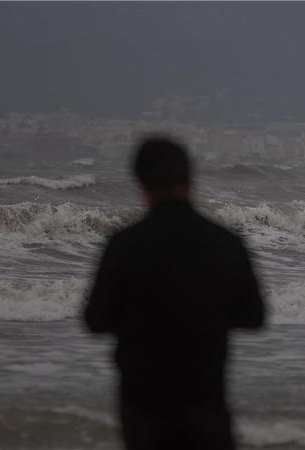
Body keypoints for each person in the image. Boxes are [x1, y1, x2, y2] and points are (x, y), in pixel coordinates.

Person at [84, 136, 265, 450]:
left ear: (140, 184)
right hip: (206, 400)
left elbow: (95, 321)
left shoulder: (124, 245)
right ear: (190, 181)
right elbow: (253, 317)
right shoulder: (225, 243)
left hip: (142, 405)